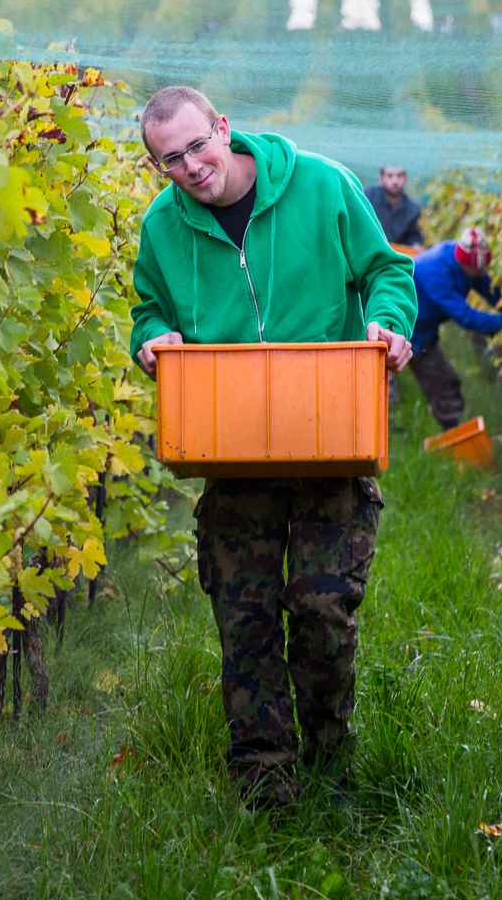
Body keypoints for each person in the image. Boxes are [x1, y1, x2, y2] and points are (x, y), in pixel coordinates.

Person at [130, 86, 418, 811]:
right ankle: (265, 781)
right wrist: (150, 340)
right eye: (171, 160)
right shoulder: (162, 227)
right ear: (160, 168)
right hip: (233, 448)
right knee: (244, 613)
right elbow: (150, 309)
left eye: (198, 145)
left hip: (330, 435)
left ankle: (329, 764)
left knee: (321, 608)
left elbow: (388, 270)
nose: (192, 167)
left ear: (223, 129)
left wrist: (387, 323)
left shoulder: (322, 185)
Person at [402, 226, 502, 430]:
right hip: (402, 328)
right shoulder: (437, 270)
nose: (481, 273)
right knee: (382, 387)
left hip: (424, 333)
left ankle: (453, 433)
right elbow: (465, 317)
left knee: (445, 381)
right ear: (463, 263)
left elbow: (486, 285)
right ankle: (389, 433)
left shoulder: (464, 260)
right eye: (477, 270)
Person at [363, 164, 424, 247]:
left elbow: (412, 235)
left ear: (406, 178)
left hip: (393, 255)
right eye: (389, 176)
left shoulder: (412, 209)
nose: (395, 181)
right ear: (381, 179)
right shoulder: (366, 197)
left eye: (399, 176)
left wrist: (416, 245)